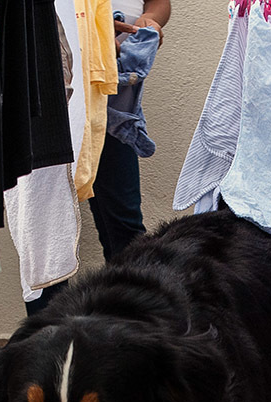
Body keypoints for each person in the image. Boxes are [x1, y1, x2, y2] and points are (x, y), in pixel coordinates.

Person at [88, 0, 172, 262]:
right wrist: (88, 32)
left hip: (113, 103)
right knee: (48, 226)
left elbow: (159, 3)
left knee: (125, 227)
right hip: (57, 90)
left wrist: (150, 19)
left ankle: (128, 287)